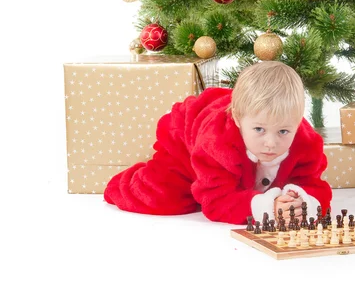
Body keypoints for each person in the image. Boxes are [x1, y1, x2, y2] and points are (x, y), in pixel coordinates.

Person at [104, 61, 332, 225]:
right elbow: (214, 204)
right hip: (186, 145)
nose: (271, 143)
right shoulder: (217, 143)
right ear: (237, 120)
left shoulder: (306, 143)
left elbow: (315, 186)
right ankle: (123, 183)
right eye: (259, 130)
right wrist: (268, 208)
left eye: (283, 131)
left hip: (229, 141)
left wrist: (302, 202)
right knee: (165, 198)